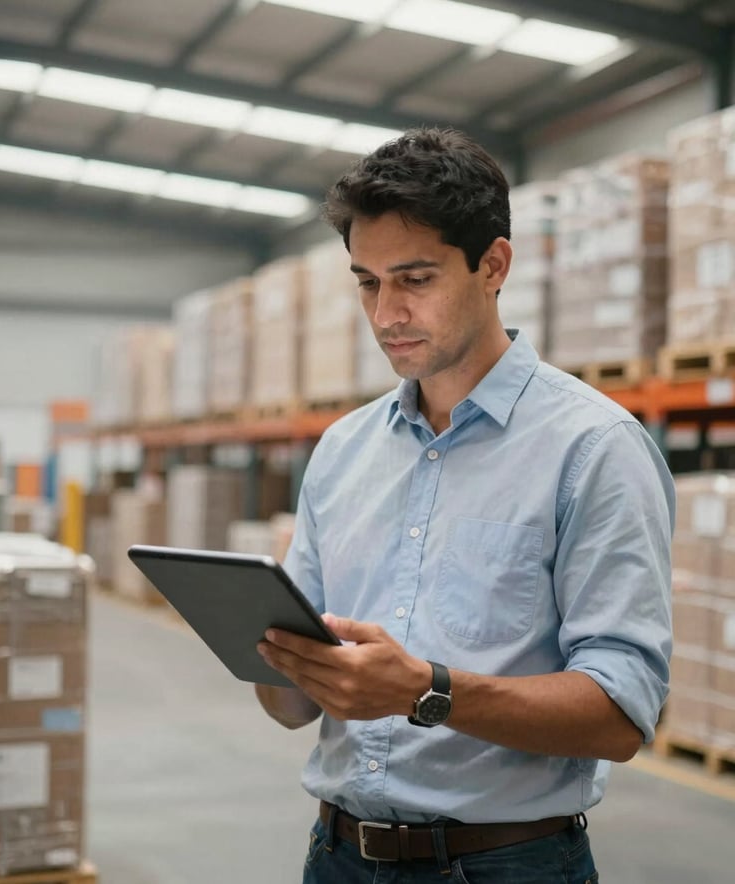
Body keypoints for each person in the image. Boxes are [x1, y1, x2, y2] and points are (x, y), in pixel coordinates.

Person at [255, 127, 674, 884]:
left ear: (494, 265)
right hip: (337, 857)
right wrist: (274, 658)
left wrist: (425, 691)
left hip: (507, 866)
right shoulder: (343, 451)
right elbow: (290, 709)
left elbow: (620, 713)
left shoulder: (593, 448)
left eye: (414, 279)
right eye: (367, 282)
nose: (386, 315)